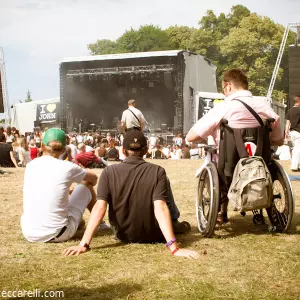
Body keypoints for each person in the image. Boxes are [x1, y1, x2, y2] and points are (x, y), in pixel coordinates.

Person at [63, 130, 198, 258]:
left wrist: (84, 244)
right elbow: (161, 207)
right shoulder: (158, 171)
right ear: (146, 150)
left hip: (122, 235)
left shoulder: (108, 173)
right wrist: (174, 247)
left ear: (123, 150)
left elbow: (99, 208)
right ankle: (176, 224)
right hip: (154, 235)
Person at [186, 68, 283, 223]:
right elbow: (279, 140)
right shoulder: (265, 108)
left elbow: (192, 136)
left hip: (228, 167)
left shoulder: (223, 108)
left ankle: (220, 211)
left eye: (223, 89)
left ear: (228, 86)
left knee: (213, 157)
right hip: (261, 165)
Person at [21, 128, 98, 243]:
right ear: (63, 150)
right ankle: (100, 224)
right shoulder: (68, 167)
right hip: (58, 233)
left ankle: (78, 221)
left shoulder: (30, 165)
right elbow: (94, 179)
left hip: (29, 232)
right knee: (86, 183)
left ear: (41, 145)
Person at [285, 95, 300, 171]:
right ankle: (294, 166)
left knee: (296, 148)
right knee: (297, 149)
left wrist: (286, 132)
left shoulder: (290, 110)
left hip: (292, 132)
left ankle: (297, 165)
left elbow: (287, 122)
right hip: (298, 132)